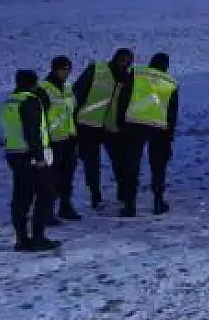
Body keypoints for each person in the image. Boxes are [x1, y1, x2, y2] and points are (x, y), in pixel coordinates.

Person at [1, 68, 59, 253]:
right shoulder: (30, 101)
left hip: (14, 153)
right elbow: (32, 131)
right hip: (31, 156)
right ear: (33, 83)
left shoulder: (10, 101)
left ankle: (22, 239)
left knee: (21, 197)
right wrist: (39, 156)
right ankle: (38, 238)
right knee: (45, 195)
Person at [118, 51, 180, 217]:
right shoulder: (170, 82)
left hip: (134, 124)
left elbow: (123, 98)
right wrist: (170, 137)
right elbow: (172, 113)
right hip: (160, 127)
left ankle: (130, 205)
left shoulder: (137, 74)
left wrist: (121, 122)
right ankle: (158, 202)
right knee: (158, 167)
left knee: (131, 167)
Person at [73, 48, 134, 210]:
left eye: (128, 62)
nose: (125, 64)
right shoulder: (97, 70)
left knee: (120, 161)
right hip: (88, 124)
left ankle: (122, 192)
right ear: (115, 59)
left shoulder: (127, 77)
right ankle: (95, 195)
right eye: (123, 60)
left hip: (110, 126)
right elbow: (78, 92)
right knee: (92, 162)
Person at [38, 56, 82, 224]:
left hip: (69, 138)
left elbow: (72, 111)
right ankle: (47, 211)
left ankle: (65, 206)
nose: (67, 73)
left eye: (69, 69)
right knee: (50, 178)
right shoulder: (44, 89)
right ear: (55, 69)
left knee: (67, 176)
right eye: (64, 70)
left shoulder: (67, 87)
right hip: (52, 140)